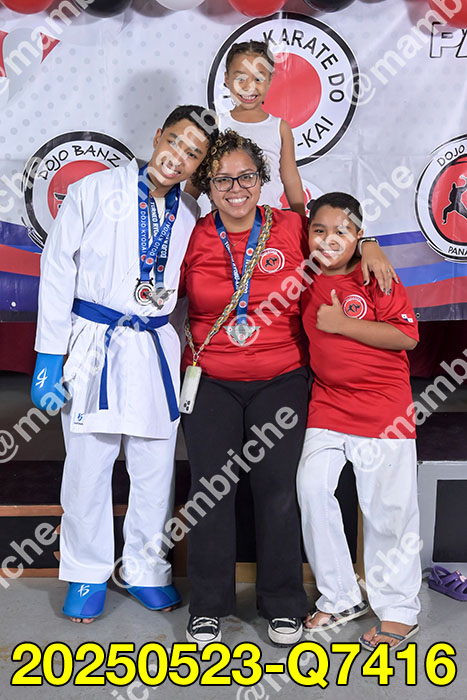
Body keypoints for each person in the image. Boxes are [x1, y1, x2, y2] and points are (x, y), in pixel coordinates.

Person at [178, 132, 396, 649]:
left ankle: (282, 603)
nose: (236, 188)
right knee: (210, 491)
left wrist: (368, 242)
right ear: (208, 184)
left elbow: (339, 231)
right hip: (211, 379)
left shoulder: (292, 226)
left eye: (246, 177)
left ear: (262, 181)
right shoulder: (191, 233)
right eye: (223, 179)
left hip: (281, 377)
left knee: (278, 490)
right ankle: (207, 607)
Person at [31, 105, 216, 623]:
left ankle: (145, 568)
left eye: (193, 154)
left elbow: (185, 291)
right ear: (157, 136)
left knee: (155, 466)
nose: (178, 157)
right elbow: (57, 267)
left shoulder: (190, 214)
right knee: (88, 465)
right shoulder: (93, 190)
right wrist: (49, 354)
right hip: (95, 340)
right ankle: (87, 572)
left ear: (199, 166)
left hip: (154, 345)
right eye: (175, 141)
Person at [297, 192, 422, 651]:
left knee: (387, 510)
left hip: (382, 407)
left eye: (343, 232)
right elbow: (291, 193)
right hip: (328, 404)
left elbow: (407, 337)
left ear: (358, 235)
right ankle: (341, 595)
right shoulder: (304, 274)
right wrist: (367, 240)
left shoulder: (376, 273)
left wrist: (341, 324)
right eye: (319, 230)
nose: (329, 240)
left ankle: (399, 610)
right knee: (312, 487)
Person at [186, 40, 306, 216]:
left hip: (269, 223)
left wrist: (301, 219)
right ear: (227, 79)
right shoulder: (216, 125)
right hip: (224, 224)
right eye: (240, 78)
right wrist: (181, 212)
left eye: (258, 79)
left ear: (269, 80)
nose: (249, 86)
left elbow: (290, 179)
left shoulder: (280, 128)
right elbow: (196, 178)